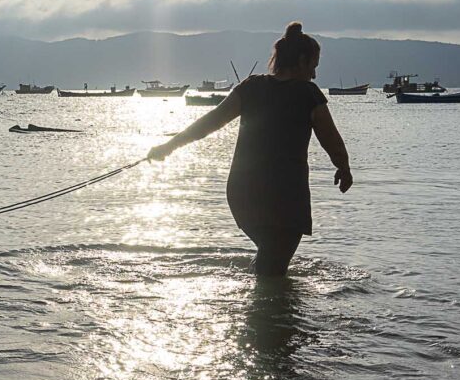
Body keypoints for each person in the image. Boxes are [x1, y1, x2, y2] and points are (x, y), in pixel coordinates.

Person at [147, 21, 353, 276]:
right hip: (285, 196)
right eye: (313, 67)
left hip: (243, 193)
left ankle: (261, 306)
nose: (314, 75)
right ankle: (271, 312)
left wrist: (169, 146)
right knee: (274, 266)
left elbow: (209, 123)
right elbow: (331, 139)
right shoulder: (308, 94)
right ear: (301, 60)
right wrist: (343, 168)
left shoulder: (251, 87)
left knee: (269, 256)